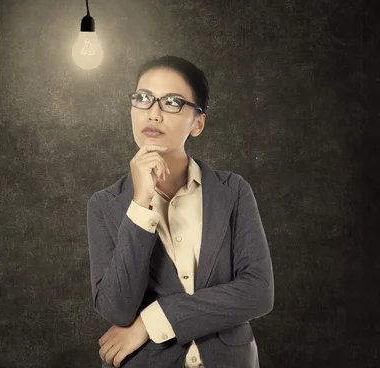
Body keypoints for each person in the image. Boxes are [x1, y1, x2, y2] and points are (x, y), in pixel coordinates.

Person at [86, 55, 274, 368]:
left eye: (172, 102)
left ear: (197, 122)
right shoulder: (104, 204)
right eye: (144, 99)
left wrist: (152, 322)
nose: (153, 113)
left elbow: (258, 291)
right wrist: (141, 204)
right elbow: (117, 309)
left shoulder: (233, 191)